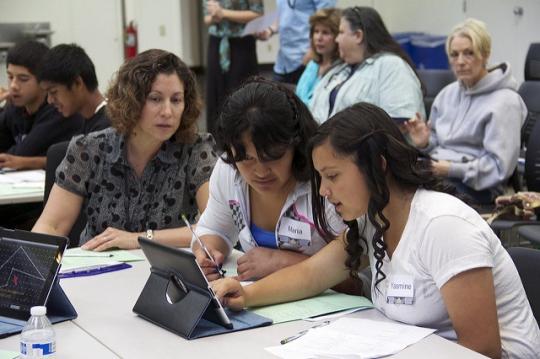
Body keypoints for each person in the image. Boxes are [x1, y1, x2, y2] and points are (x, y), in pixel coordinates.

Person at [212, 103, 540, 358]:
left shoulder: (443, 226)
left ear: (378, 166)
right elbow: (312, 275)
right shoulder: (374, 220)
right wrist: (247, 294)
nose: (323, 191)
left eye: (333, 176)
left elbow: (482, 351)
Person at [33, 49, 217, 250]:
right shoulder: (89, 149)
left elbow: (214, 228)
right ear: (132, 100)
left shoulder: (196, 149)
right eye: (155, 99)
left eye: (176, 100)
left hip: (164, 273)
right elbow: (51, 225)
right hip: (96, 271)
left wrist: (140, 238)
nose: (167, 112)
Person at [193, 78, 347, 283]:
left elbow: (360, 277)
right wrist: (207, 252)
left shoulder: (326, 182)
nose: (260, 171)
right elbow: (213, 229)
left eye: (273, 156)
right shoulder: (228, 170)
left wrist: (283, 262)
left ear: (296, 144)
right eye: (246, 158)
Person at [405, 18, 526, 206]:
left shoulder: (505, 102)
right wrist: (425, 143)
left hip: (481, 188)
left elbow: (498, 168)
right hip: (441, 173)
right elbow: (437, 144)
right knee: (391, 182)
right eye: (454, 55)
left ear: (485, 55)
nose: (460, 62)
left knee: (418, 199)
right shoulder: (447, 94)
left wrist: (451, 170)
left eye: (468, 53)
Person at [309, 6, 424, 124]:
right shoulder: (338, 70)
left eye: (341, 32)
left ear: (358, 36)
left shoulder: (392, 66)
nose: (337, 39)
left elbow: (402, 120)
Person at [0, 40, 83, 170]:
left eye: (23, 79)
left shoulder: (58, 111)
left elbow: (20, 154)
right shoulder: (15, 108)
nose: (13, 86)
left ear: (43, 81)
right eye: (10, 77)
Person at [203, 0, 263, 136]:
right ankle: (216, 140)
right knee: (216, 92)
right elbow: (206, 18)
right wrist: (214, 16)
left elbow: (258, 14)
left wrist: (223, 13)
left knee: (241, 91)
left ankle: (243, 138)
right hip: (216, 42)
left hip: (241, 43)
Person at [258, 0, 336, 85]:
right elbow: (283, 14)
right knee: (274, 96)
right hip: (283, 62)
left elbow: (326, 20)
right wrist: (270, 30)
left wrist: (312, 52)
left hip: (307, 60)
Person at [39, 43, 110, 134]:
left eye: (53, 92)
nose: (49, 100)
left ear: (77, 83)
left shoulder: (108, 129)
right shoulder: (85, 122)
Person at [295, 8, 341, 105]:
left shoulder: (341, 70)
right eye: (316, 31)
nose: (319, 38)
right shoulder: (313, 64)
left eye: (325, 33)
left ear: (337, 37)